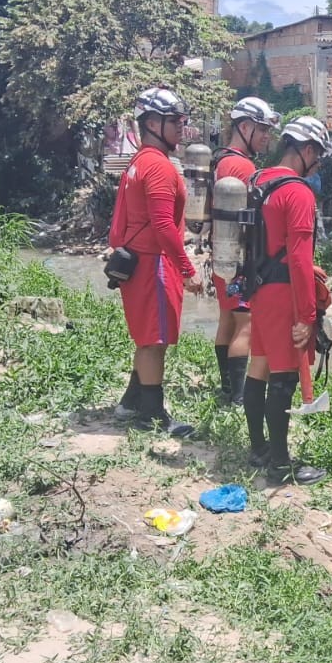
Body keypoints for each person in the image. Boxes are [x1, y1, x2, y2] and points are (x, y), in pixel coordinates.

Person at [241, 117, 332, 484]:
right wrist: (307, 317)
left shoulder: (259, 180)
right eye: (319, 157)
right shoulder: (298, 193)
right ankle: (280, 464)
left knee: (258, 366)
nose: (318, 165)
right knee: (284, 375)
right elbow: (299, 258)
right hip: (283, 293)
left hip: (258, 289)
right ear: (307, 150)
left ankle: (259, 448)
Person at [110, 87, 204, 437]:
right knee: (154, 342)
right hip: (153, 264)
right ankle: (153, 417)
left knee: (147, 338)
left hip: (138, 262)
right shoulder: (159, 167)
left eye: (182, 120)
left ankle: (130, 403)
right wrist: (188, 270)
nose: (181, 127)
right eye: (174, 121)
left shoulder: (139, 162)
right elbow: (164, 226)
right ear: (151, 123)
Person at [210, 96, 280, 405]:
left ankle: (226, 388)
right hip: (240, 258)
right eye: (263, 130)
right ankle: (237, 396)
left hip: (222, 253)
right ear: (245, 126)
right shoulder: (241, 165)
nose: (267, 137)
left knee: (227, 319)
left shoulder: (223, 159)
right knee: (246, 325)